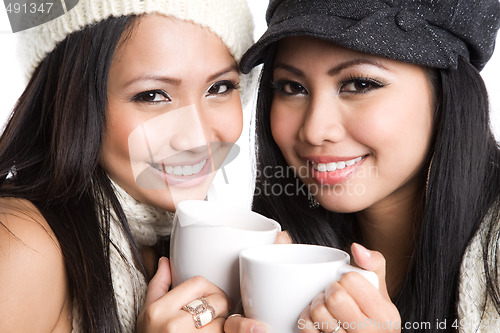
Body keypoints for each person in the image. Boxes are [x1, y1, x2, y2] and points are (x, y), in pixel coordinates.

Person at [225, 0, 500, 332]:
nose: (314, 130)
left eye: (359, 84)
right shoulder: (258, 254)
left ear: (446, 93)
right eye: (292, 87)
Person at [0, 0, 254, 332]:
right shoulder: (20, 242)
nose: (196, 139)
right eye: (151, 96)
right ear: (74, 101)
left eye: (219, 88)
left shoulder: (172, 238)